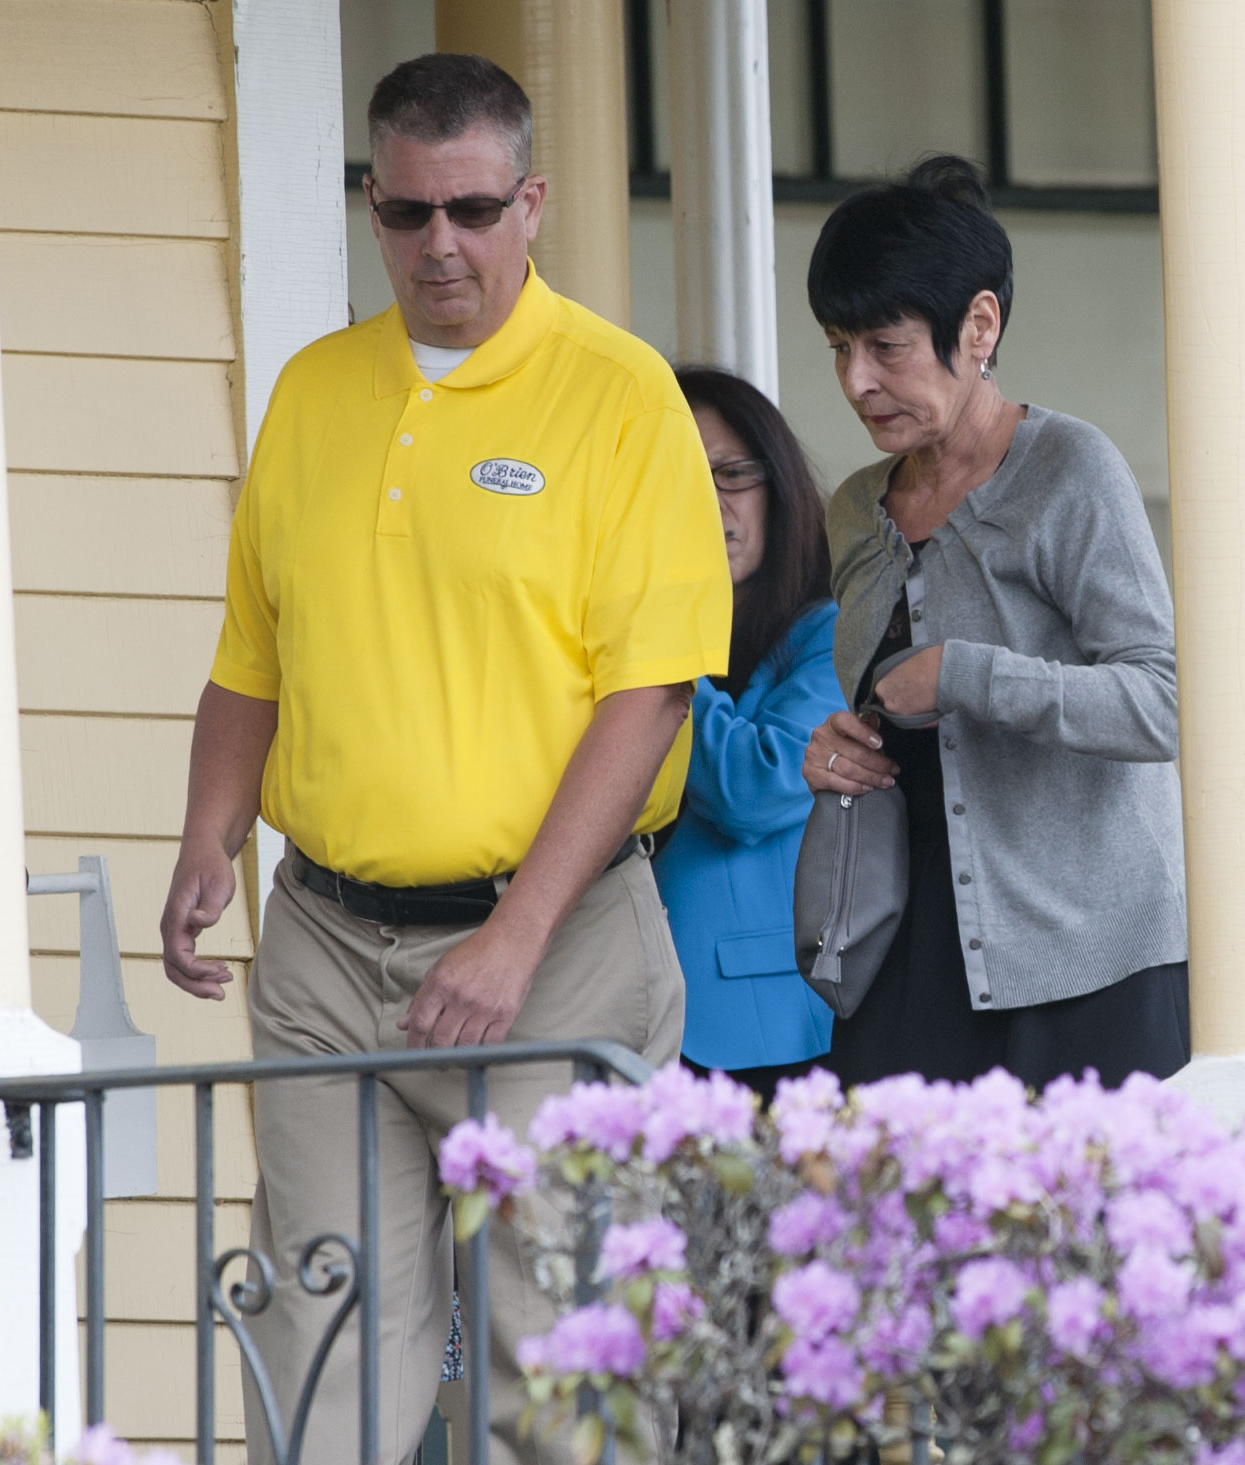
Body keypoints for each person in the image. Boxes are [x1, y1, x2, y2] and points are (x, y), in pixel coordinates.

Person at [158, 53, 731, 1465]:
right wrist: (205, 840)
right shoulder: (310, 390)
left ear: (531, 202)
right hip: (325, 948)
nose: (440, 245)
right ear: (373, 205)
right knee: (323, 1339)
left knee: (561, 1358)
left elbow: (651, 695)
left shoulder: (617, 395)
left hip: (556, 943)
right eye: (406, 212)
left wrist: (515, 936)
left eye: (472, 208)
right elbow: (254, 656)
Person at [800, 155, 1188, 1093]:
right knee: (901, 1231)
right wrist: (833, 751)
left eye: (885, 347)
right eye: (837, 347)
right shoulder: (855, 510)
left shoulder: (1069, 470)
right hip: (901, 944)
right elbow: (869, 706)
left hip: (1088, 959)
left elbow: (1165, 704)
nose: (856, 380)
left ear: (978, 325)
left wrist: (966, 673)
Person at [653, 367, 846, 1111]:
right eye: (680, 480)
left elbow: (758, 786)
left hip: (764, 1029)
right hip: (617, 1010)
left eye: (731, 475)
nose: (710, 504)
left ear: (780, 486)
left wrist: (656, 644)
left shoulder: (828, 631)